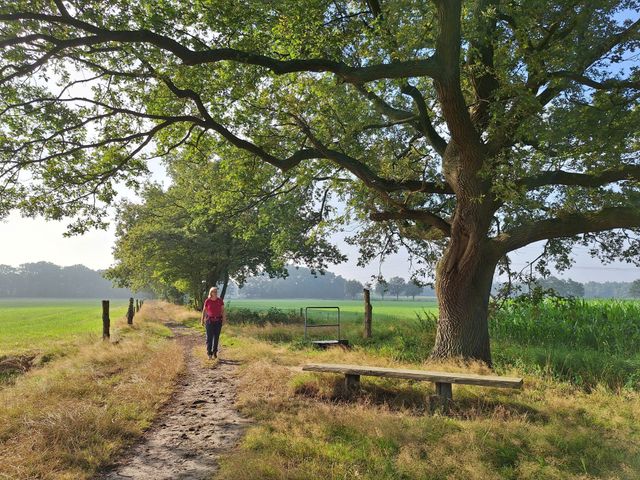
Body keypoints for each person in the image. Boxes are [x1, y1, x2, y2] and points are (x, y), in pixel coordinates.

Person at [201, 287, 226, 359]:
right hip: (209, 321)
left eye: (216, 291)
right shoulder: (207, 301)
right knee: (209, 338)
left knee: (216, 338)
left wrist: (224, 320)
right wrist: (202, 320)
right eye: (213, 291)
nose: (215, 293)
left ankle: (215, 352)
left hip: (218, 321)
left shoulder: (220, 300)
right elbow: (204, 311)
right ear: (210, 292)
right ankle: (209, 353)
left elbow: (223, 310)